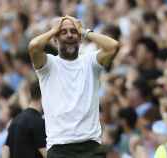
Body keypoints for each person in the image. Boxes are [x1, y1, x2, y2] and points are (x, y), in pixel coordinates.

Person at [28, 15, 119, 158]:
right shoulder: (48, 65)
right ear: (55, 39)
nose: (69, 35)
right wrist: (54, 30)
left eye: (73, 31)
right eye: (63, 32)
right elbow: (34, 46)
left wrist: (84, 30)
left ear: (80, 38)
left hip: (91, 146)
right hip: (60, 147)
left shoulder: (90, 62)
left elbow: (113, 46)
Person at [2, 81, 46, 158]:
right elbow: (46, 153)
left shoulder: (15, 120)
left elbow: (5, 150)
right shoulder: (39, 122)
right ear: (43, 95)